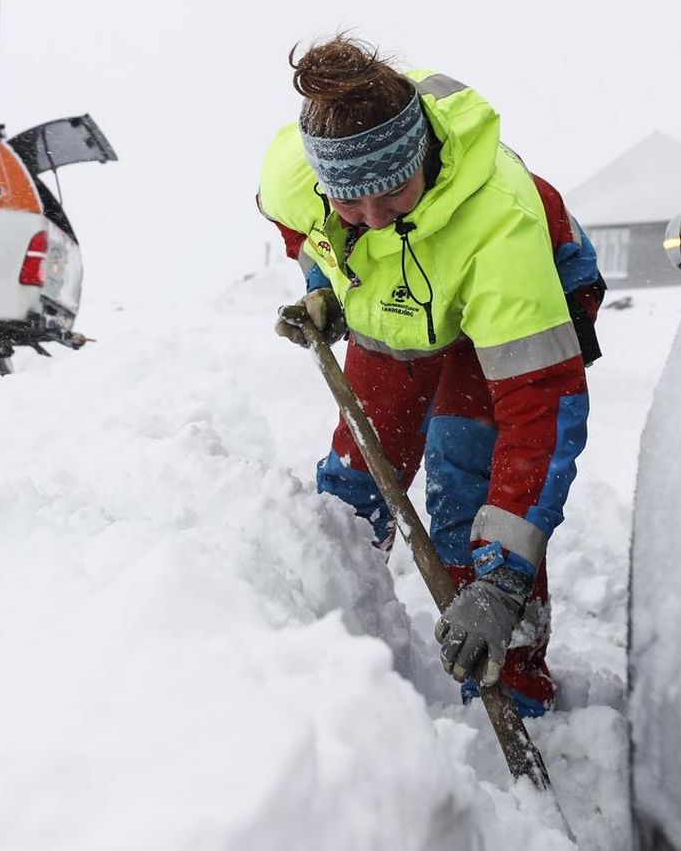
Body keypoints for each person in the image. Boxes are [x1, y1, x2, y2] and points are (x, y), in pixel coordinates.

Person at [257, 35, 603, 716]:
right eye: (352, 205)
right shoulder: (294, 177)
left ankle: (512, 681)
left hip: (511, 304)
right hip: (405, 303)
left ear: (421, 158)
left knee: (465, 479)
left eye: (391, 194)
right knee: (357, 473)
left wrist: (502, 580)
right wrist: (327, 285)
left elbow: (541, 410)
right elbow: (304, 230)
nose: (376, 218)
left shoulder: (498, 227)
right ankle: (323, 640)